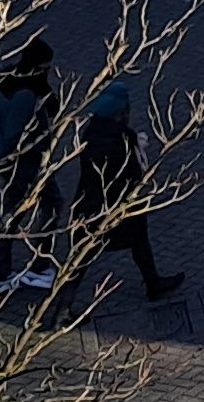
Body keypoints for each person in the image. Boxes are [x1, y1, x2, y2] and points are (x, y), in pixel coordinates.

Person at [73, 71, 182, 302]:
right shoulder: (121, 141)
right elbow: (133, 173)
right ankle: (60, 308)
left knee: (85, 254)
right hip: (115, 204)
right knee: (121, 244)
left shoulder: (92, 132)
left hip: (89, 202)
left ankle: (153, 282)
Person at [0, 39, 60, 299]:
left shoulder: (9, 85)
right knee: (51, 205)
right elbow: (16, 134)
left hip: (14, 164)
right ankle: (37, 267)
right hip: (26, 164)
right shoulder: (27, 96)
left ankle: (1, 274)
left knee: (11, 215)